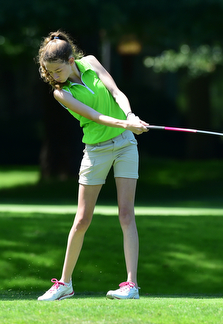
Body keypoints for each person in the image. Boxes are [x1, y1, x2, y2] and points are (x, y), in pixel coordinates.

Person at [36, 30, 149, 301]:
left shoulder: (92, 63)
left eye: (58, 69)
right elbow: (95, 116)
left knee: (126, 214)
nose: (54, 76)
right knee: (82, 219)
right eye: (49, 71)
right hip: (96, 151)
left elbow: (115, 92)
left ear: (71, 60)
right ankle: (65, 283)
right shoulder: (60, 93)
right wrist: (127, 123)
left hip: (124, 145)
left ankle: (131, 285)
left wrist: (130, 115)